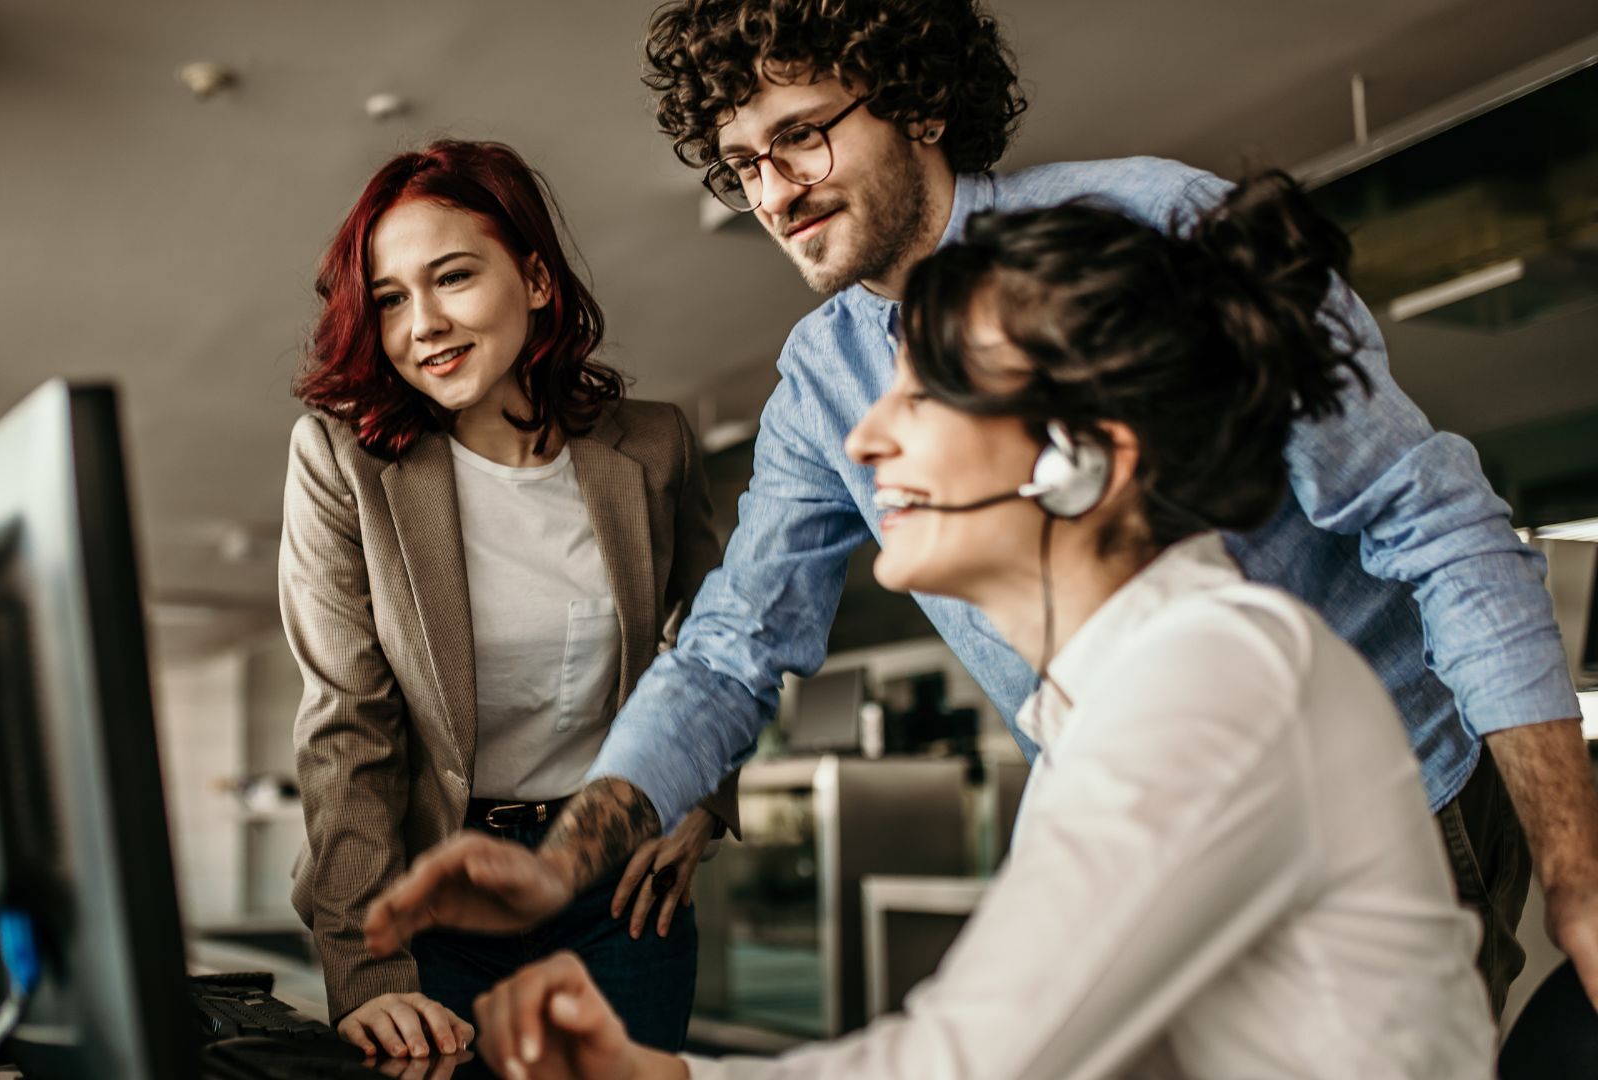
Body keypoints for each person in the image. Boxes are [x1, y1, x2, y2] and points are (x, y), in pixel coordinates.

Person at [365, 0, 1598, 1018]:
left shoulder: (1150, 226)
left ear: (918, 101)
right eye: (745, 165)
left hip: (1382, 793)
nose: (775, 192)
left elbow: (1435, 523)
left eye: (802, 136)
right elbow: (734, 641)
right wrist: (563, 864)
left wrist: (1574, 872)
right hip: (1126, 822)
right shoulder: (822, 372)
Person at [462, 172, 1498, 1080]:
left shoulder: (1214, 680)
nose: (866, 436)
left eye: (924, 397)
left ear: (1081, 456)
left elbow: (966, 1065)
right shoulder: (1106, 712)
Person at [280, 139, 736, 1061]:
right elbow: (349, 728)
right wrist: (363, 974)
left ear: (535, 279)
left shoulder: (653, 448)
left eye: (452, 277)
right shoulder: (345, 464)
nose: (423, 324)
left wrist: (704, 802)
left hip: (618, 893)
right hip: (434, 899)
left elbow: (718, 652)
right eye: (391, 299)